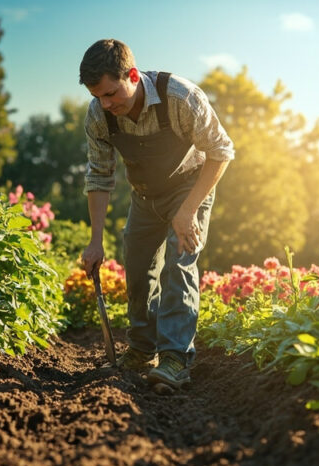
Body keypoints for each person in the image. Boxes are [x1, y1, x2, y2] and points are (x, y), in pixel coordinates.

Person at [78, 39, 235, 391]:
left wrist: (188, 210)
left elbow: (221, 151)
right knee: (136, 267)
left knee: (178, 262)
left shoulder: (180, 97)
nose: (106, 103)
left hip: (189, 187)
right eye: (98, 96)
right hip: (145, 194)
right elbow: (100, 176)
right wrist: (94, 241)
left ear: (132, 75)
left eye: (112, 93)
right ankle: (142, 349)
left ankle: (175, 358)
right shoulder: (99, 114)